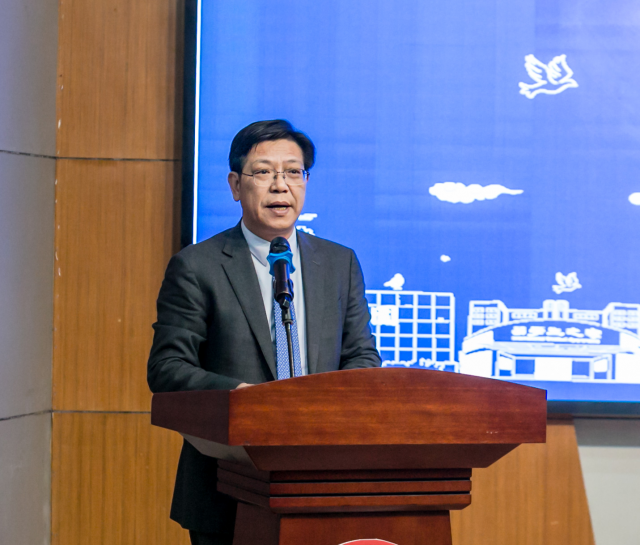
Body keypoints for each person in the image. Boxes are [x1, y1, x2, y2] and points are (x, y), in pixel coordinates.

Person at [147, 119, 381, 545]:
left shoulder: (339, 263)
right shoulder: (197, 267)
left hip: (323, 482)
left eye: (293, 172)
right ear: (236, 185)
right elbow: (167, 367)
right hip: (226, 487)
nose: (280, 185)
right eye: (263, 172)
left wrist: (328, 405)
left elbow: (361, 356)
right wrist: (244, 398)